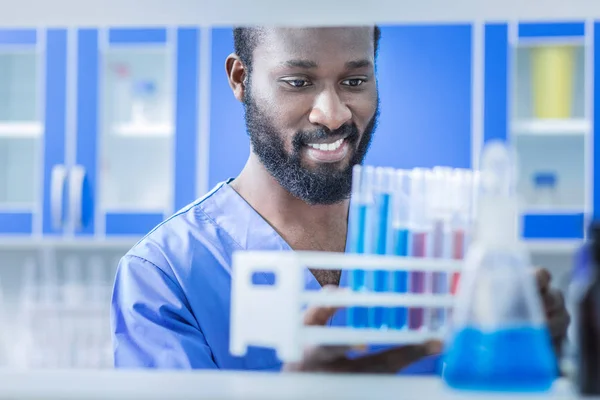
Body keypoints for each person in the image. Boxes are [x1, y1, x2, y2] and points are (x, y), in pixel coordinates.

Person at [111, 25, 569, 373]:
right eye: (297, 81)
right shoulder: (163, 276)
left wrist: (540, 350)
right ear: (240, 78)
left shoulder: (432, 244)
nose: (332, 116)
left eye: (354, 82)